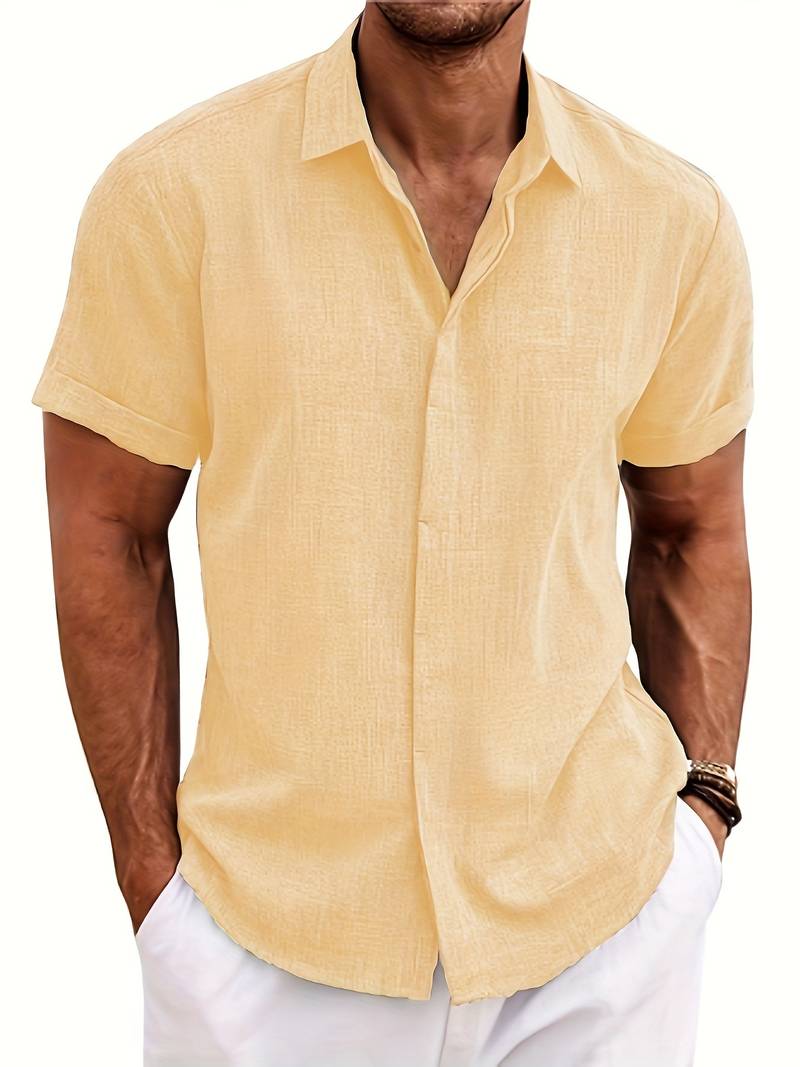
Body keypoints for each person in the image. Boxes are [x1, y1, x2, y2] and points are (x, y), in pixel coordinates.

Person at [31, 2, 753, 1064]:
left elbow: (692, 530)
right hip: (266, 953)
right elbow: (110, 528)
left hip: (602, 938)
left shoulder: (671, 218)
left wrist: (704, 819)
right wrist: (154, 891)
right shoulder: (176, 193)